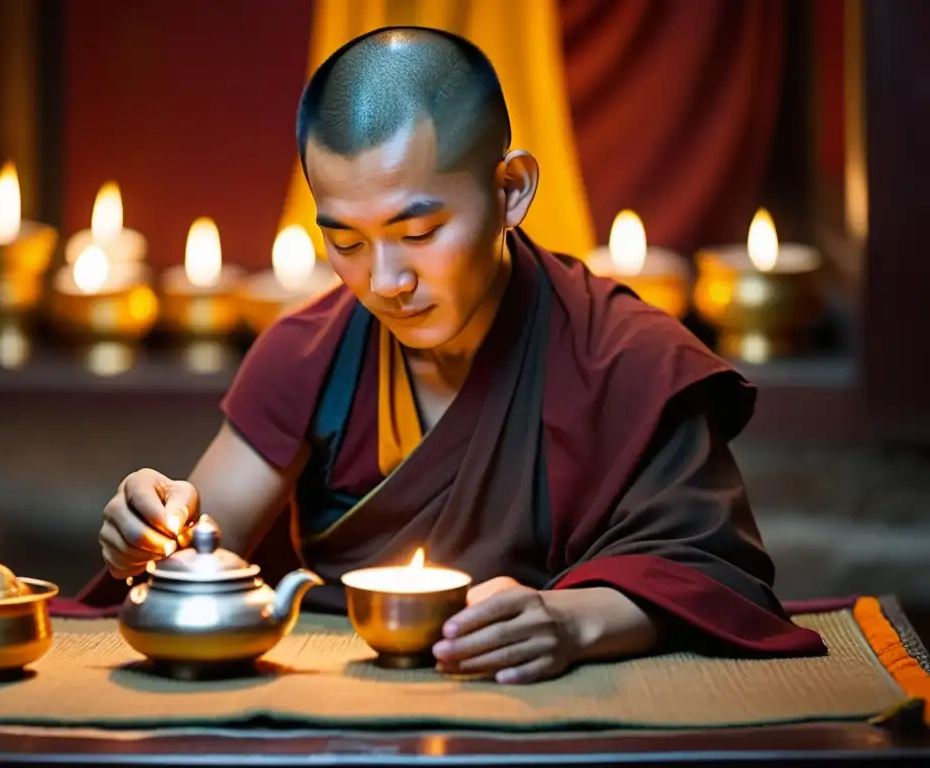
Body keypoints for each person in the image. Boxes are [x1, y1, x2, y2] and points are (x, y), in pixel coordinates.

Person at [81, 26, 826, 684]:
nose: (384, 281)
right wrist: (150, 533)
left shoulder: (626, 357)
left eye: (418, 232)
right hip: (336, 711)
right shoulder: (310, 353)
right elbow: (203, 549)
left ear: (510, 190)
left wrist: (576, 622)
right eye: (344, 242)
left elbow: (716, 578)